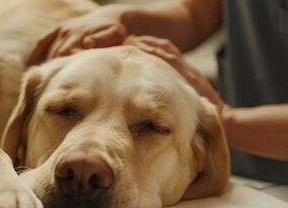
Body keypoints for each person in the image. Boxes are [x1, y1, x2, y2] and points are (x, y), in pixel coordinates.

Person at [29, 0, 288, 184]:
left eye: (151, 127)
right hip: (236, 169)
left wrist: (224, 118)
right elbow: (195, 16)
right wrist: (121, 19)